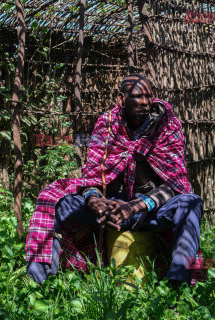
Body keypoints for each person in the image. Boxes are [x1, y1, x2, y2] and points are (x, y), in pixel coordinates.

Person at [25, 73, 203, 285]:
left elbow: (175, 185)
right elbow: (91, 175)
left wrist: (138, 205)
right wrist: (94, 200)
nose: (145, 102)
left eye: (149, 96)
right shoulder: (107, 125)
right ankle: (39, 282)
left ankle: (179, 286)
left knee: (191, 202)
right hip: (108, 210)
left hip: (150, 212)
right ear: (121, 99)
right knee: (54, 200)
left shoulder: (168, 125)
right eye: (138, 96)